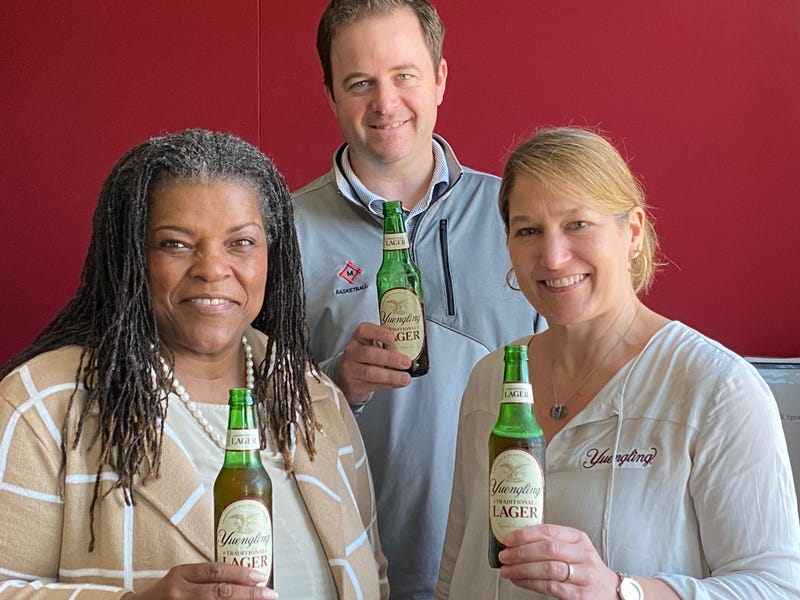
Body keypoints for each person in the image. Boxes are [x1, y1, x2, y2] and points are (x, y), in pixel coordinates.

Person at [0, 129, 388, 600]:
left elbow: (374, 574)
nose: (211, 268)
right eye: (177, 244)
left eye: (241, 243)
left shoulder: (311, 394)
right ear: (132, 256)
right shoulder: (43, 405)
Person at [436, 126, 800, 599]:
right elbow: (457, 567)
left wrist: (619, 590)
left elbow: (777, 587)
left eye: (577, 224)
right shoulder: (491, 380)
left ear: (632, 232)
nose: (553, 255)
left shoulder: (718, 389)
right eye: (528, 230)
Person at [291, 1, 542, 597]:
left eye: (404, 75)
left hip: (503, 574)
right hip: (346, 575)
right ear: (330, 95)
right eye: (360, 83)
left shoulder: (521, 218)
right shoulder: (280, 232)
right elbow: (243, 415)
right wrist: (333, 385)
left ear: (440, 79)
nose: (385, 102)